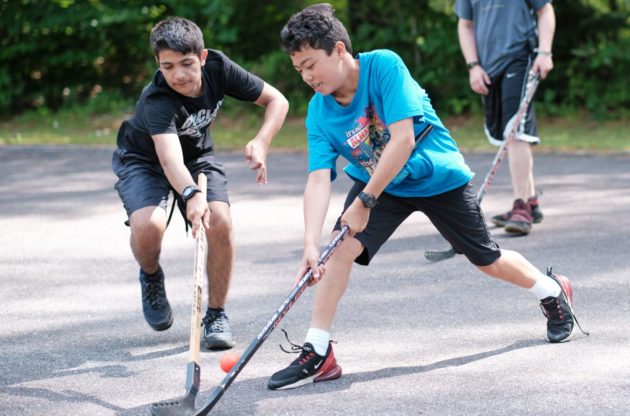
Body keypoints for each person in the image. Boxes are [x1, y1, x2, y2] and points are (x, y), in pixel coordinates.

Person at [267, 3, 585, 391]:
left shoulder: (383, 65)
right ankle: (319, 351)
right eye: (299, 69)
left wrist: (364, 202)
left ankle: (552, 290)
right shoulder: (319, 111)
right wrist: (310, 245)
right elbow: (318, 179)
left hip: (435, 176)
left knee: (487, 260)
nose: (306, 76)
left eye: (311, 64)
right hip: (383, 185)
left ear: (338, 49)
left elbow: (402, 141)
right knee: (339, 250)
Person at [112, 17, 289, 349]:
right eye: (168, 66)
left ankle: (216, 314)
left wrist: (262, 141)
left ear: (202, 57)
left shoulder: (219, 67)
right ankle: (150, 274)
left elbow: (277, 101)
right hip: (144, 160)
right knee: (149, 226)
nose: (178, 74)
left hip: (196, 157)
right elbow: (168, 159)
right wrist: (191, 193)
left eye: (186, 64)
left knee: (219, 221)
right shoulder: (158, 99)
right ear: (158, 64)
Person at [455, 0, 556, 235]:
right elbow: (465, 25)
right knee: (504, 132)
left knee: (515, 129)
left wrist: (545, 52)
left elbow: (545, 10)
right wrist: (473, 66)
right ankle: (530, 201)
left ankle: (521, 207)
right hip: (488, 67)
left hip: (521, 57)